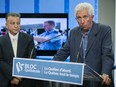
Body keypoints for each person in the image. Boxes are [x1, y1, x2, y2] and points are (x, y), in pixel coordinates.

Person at [53, 2, 114, 87]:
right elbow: (64, 51)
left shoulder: (104, 30)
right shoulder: (74, 32)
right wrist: (50, 66)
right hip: (78, 80)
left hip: (98, 80)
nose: (82, 21)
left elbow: (107, 54)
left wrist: (105, 74)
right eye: (79, 18)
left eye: (85, 17)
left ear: (92, 17)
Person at [0, 13, 36, 87]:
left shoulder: (28, 38)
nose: (16, 26)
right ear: (6, 25)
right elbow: (0, 61)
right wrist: (13, 76)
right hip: (6, 79)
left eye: (18, 23)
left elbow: (31, 59)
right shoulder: (1, 41)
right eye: (12, 23)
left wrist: (19, 77)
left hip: (24, 80)